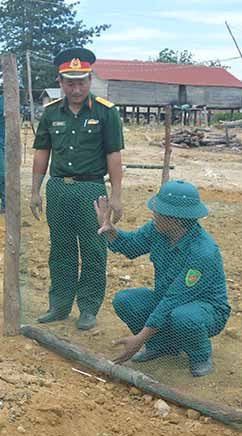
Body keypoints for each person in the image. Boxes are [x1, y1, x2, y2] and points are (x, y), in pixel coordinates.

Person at [94, 180, 230, 377]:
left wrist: (139, 339)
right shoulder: (157, 230)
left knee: (183, 317)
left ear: (176, 219)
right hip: (169, 300)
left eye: (159, 212)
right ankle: (161, 346)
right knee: (125, 301)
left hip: (205, 310)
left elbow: (174, 299)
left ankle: (200, 354)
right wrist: (111, 231)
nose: (154, 214)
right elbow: (132, 246)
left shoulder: (203, 252)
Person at [30, 47, 124, 331]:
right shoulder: (49, 114)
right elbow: (41, 154)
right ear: (60, 82)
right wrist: (35, 191)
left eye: (82, 81)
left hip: (91, 190)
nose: (76, 88)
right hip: (58, 189)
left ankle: (88, 308)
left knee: (94, 249)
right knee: (60, 249)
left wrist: (116, 197)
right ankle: (59, 306)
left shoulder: (107, 113)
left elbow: (114, 156)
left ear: (90, 80)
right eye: (70, 82)